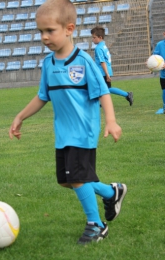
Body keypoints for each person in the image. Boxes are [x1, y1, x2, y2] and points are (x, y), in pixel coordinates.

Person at [9, 0, 127, 245]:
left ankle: (96, 225)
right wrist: (20, 116)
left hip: (83, 132)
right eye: (40, 31)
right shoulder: (48, 64)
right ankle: (110, 192)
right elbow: (43, 96)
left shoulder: (83, 61)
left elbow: (104, 92)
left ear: (69, 29)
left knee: (77, 178)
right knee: (66, 181)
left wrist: (111, 121)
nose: (44, 37)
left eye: (49, 30)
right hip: (62, 133)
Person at [91, 26, 134, 106]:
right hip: (106, 71)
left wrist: (107, 74)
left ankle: (127, 94)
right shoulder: (103, 46)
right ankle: (101, 102)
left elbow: (102, 62)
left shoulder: (98, 48)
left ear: (100, 37)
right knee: (103, 88)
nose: (92, 39)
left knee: (104, 88)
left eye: (94, 37)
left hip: (102, 72)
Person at [152, 30, 165, 113]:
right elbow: (155, 57)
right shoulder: (160, 45)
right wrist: (150, 63)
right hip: (163, 75)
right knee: (164, 91)